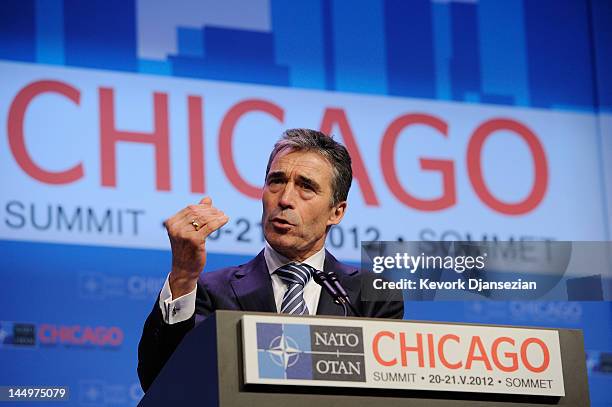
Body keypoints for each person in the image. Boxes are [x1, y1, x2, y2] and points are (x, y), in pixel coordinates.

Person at [137, 128, 404, 391]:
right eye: (276, 181)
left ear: (336, 212)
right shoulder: (211, 292)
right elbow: (161, 381)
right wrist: (183, 276)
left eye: (306, 187)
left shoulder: (370, 298)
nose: (285, 199)